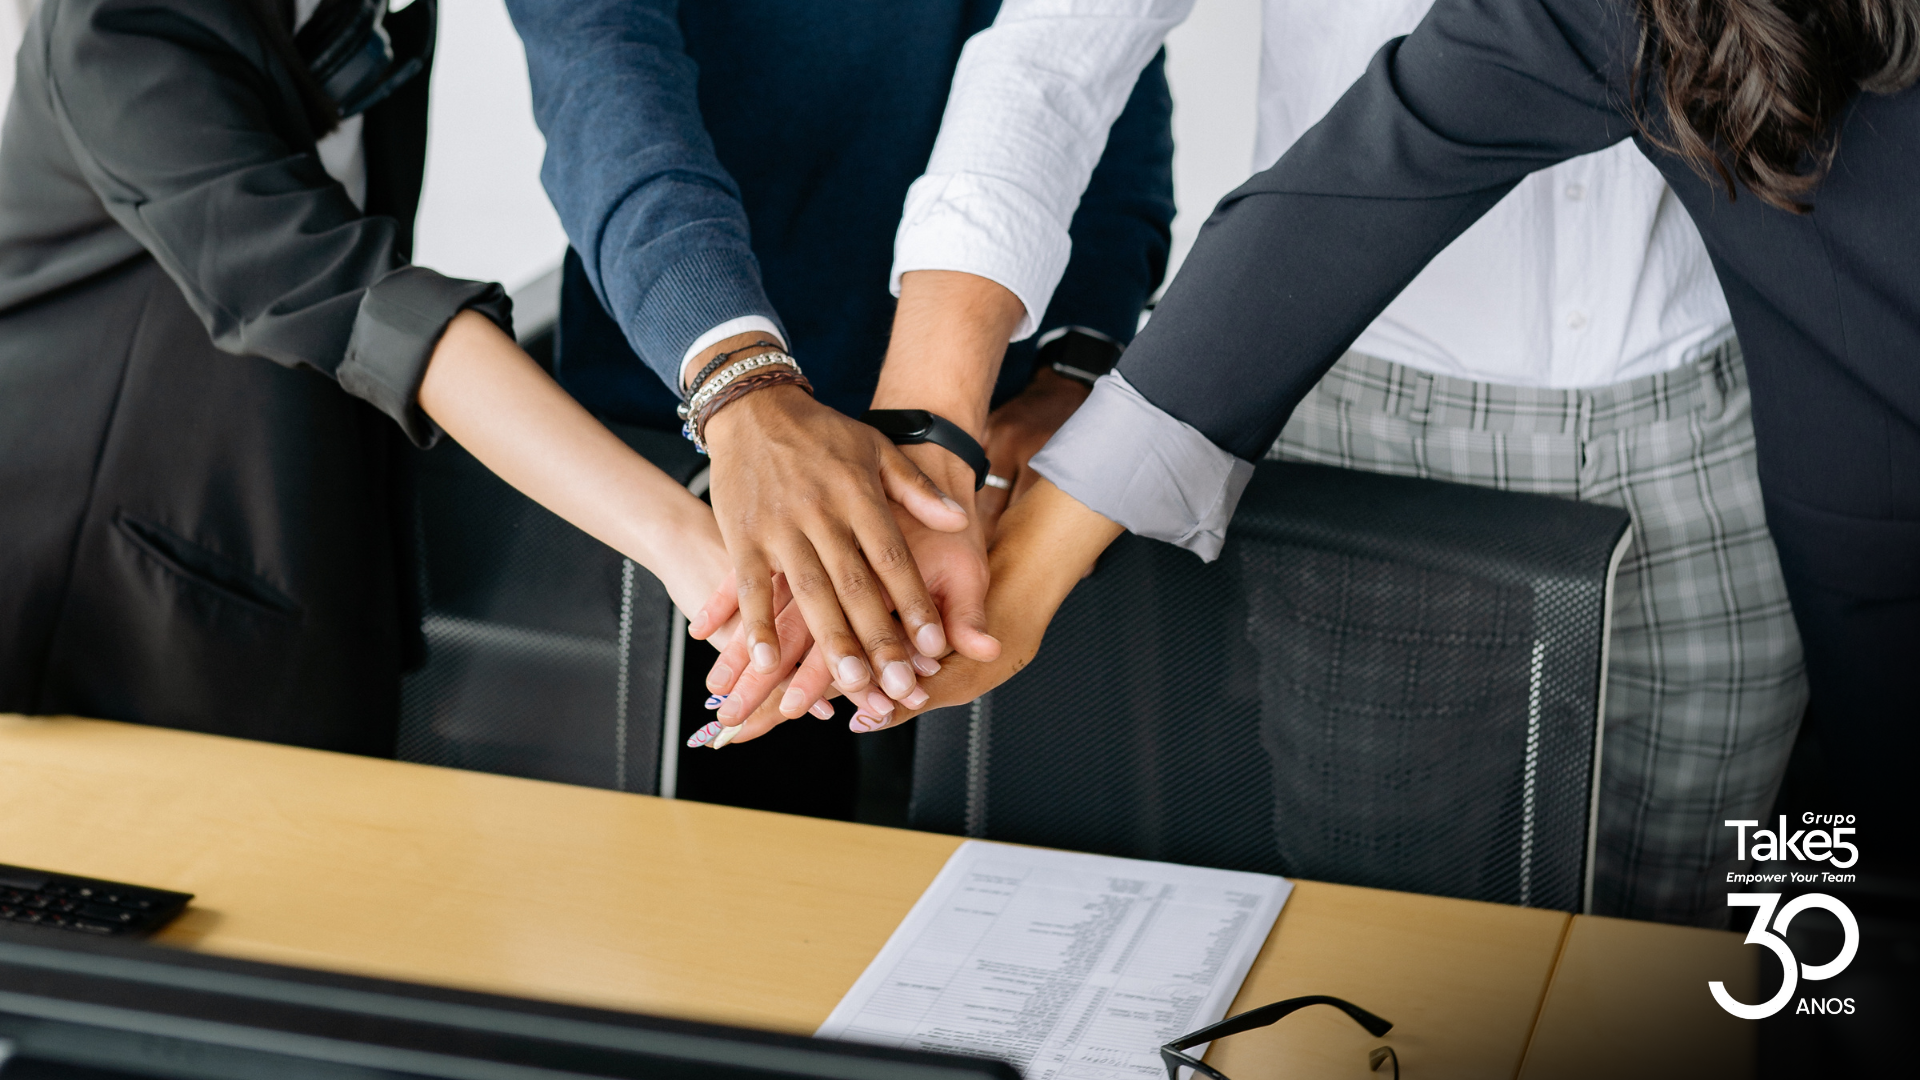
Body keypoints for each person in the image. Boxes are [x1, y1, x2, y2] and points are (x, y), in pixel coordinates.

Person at [865, 0, 1920, 913]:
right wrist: (945, 463)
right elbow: (1339, 177)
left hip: (1709, 408)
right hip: (1363, 407)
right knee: (1383, 929)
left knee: (1684, 923)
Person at [0, 0, 772, 752]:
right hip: (120, 580)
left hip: (312, 503)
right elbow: (363, 300)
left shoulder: (378, 11)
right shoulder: (119, 29)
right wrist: (692, 550)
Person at [503, 0, 1174, 737]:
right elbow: (605, 88)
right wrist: (742, 389)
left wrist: (1074, 371)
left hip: (986, 445)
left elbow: (1086, 61)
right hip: (673, 424)